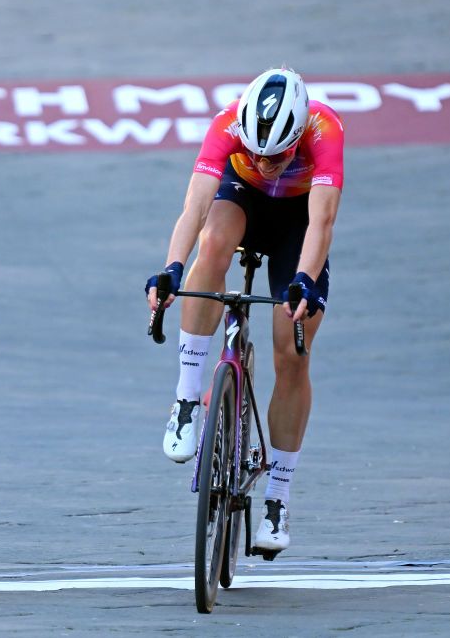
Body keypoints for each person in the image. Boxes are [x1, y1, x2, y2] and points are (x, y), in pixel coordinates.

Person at [146, 67, 344, 555]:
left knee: (291, 355)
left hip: (296, 224)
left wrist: (304, 279)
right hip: (241, 202)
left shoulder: (326, 131)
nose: (264, 159)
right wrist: (171, 266)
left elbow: (322, 220)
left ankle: (277, 497)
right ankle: (189, 398)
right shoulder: (226, 125)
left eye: (276, 153)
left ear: (297, 135)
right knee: (211, 242)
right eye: (254, 151)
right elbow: (192, 208)